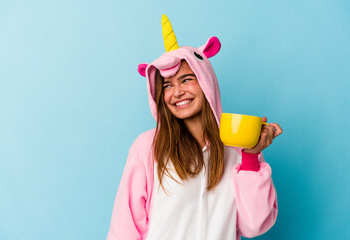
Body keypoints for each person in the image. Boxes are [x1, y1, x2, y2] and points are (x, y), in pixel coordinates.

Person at [106, 15, 283, 240]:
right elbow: (125, 229)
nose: (177, 92)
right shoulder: (147, 147)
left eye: (187, 80)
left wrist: (252, 156)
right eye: (168, 85)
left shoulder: (238, 148)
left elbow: (254, 225)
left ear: (206, 81)